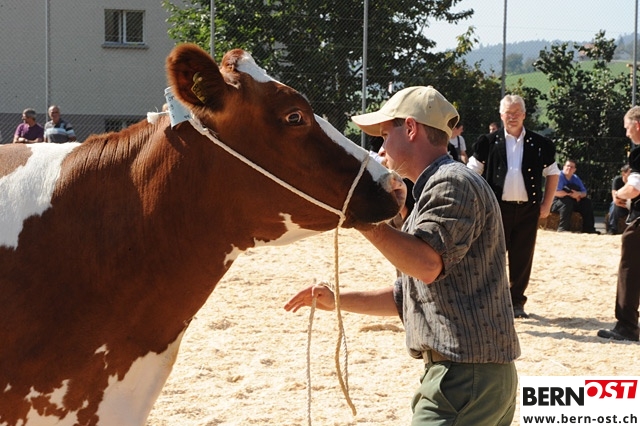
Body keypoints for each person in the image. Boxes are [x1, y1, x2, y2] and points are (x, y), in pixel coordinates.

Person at [285, 86, 520, 425]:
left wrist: (361, 217)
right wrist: (335, 300)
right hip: (473, 376)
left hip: (463, 378)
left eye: (384, 135)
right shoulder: (441, 185)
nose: (381, 148)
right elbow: (408, 297)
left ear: (410, 128)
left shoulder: (450, 183)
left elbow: (426, 265)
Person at [468, 94, 560, 319]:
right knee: (492, 256)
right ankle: (491, 300)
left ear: (524, 115)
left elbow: (553, 173)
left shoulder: (540, 144)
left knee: (523, 256)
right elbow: (471, 172)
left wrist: (547, 204)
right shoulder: (488, 142)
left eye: (517, 112)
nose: (512, 117)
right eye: (508, 113)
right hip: (496, 210)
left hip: (528, 210)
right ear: (501, 115)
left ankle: (517, 302)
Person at [597, 106, 640, 342]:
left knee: (629, 271)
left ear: (637, 125)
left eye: (627, 128)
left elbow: (634, 188)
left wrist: (618, 194)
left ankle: (627, 326)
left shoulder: (638, 154)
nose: (626, 133)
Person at [550, 159, 599, 234]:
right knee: (567, 202)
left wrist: (578, 194)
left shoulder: (576, 178)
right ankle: (563, 229)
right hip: (555, 202)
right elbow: (555, 193)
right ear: (564, 167)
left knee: (587, 202)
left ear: (574, 170)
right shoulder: (559, 176)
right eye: (568, 166)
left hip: (573, 200)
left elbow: (584, 193)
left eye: (572, 167)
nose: (569, 168)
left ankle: (589, 229)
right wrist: (571, 194)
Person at [607, 164, 631, 235]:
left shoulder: (636, 181)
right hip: (622, 205)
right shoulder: (617, 180)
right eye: (630, 173)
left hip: (634, 206)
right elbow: (615, 198)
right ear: (623, 174)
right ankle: (612, 228)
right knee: (614, 204)